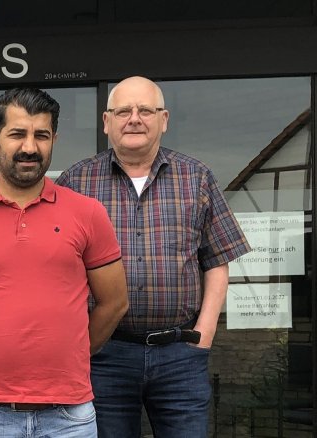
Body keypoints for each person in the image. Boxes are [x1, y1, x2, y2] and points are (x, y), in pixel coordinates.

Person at [0, 88, 129, 438]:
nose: (30, 147)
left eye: (41, 136)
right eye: (17, 134)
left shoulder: (88, 213)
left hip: (69, 415)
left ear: (54, 140)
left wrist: (72, 351)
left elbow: (115, 302)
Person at [55, 76, 251, 438]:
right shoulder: (76, 182)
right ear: (106, 121)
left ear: (164, 119)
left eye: (145, 110)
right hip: (105, 356)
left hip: (180, 355)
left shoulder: (197, 178)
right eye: (123, 111)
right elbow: (57, 270)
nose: (134, 118)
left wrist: (203, 335)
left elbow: (218, 262)